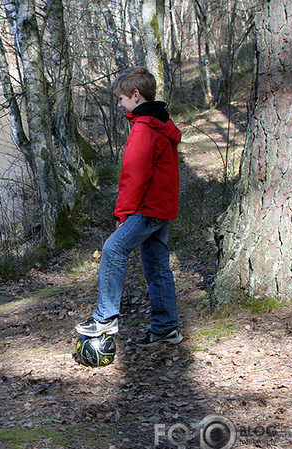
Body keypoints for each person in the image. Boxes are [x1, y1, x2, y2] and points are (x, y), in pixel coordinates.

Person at [75, 67, 183, 346]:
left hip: (148, 208)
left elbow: (134, 175)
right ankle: (166, 327)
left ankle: (104, 318)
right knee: (157, 265)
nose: (120, 105)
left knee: (113, 249)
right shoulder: (161, 123)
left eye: (122, 99)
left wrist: (122, 214)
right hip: (162, 207)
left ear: (136, 95)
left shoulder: (145, 128)